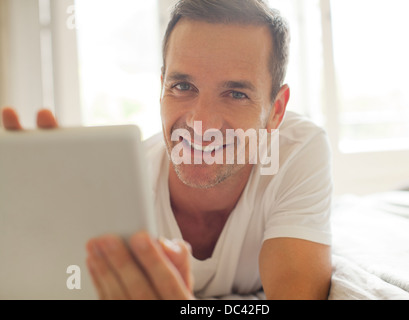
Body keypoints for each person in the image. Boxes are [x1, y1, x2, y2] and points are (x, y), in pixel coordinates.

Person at [1, 0, 332, 300]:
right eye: (183, 86)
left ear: (276, 111)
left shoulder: (295, 151)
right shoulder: (121, 186)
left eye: (235, 94)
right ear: (162, 88)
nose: (201, 121)